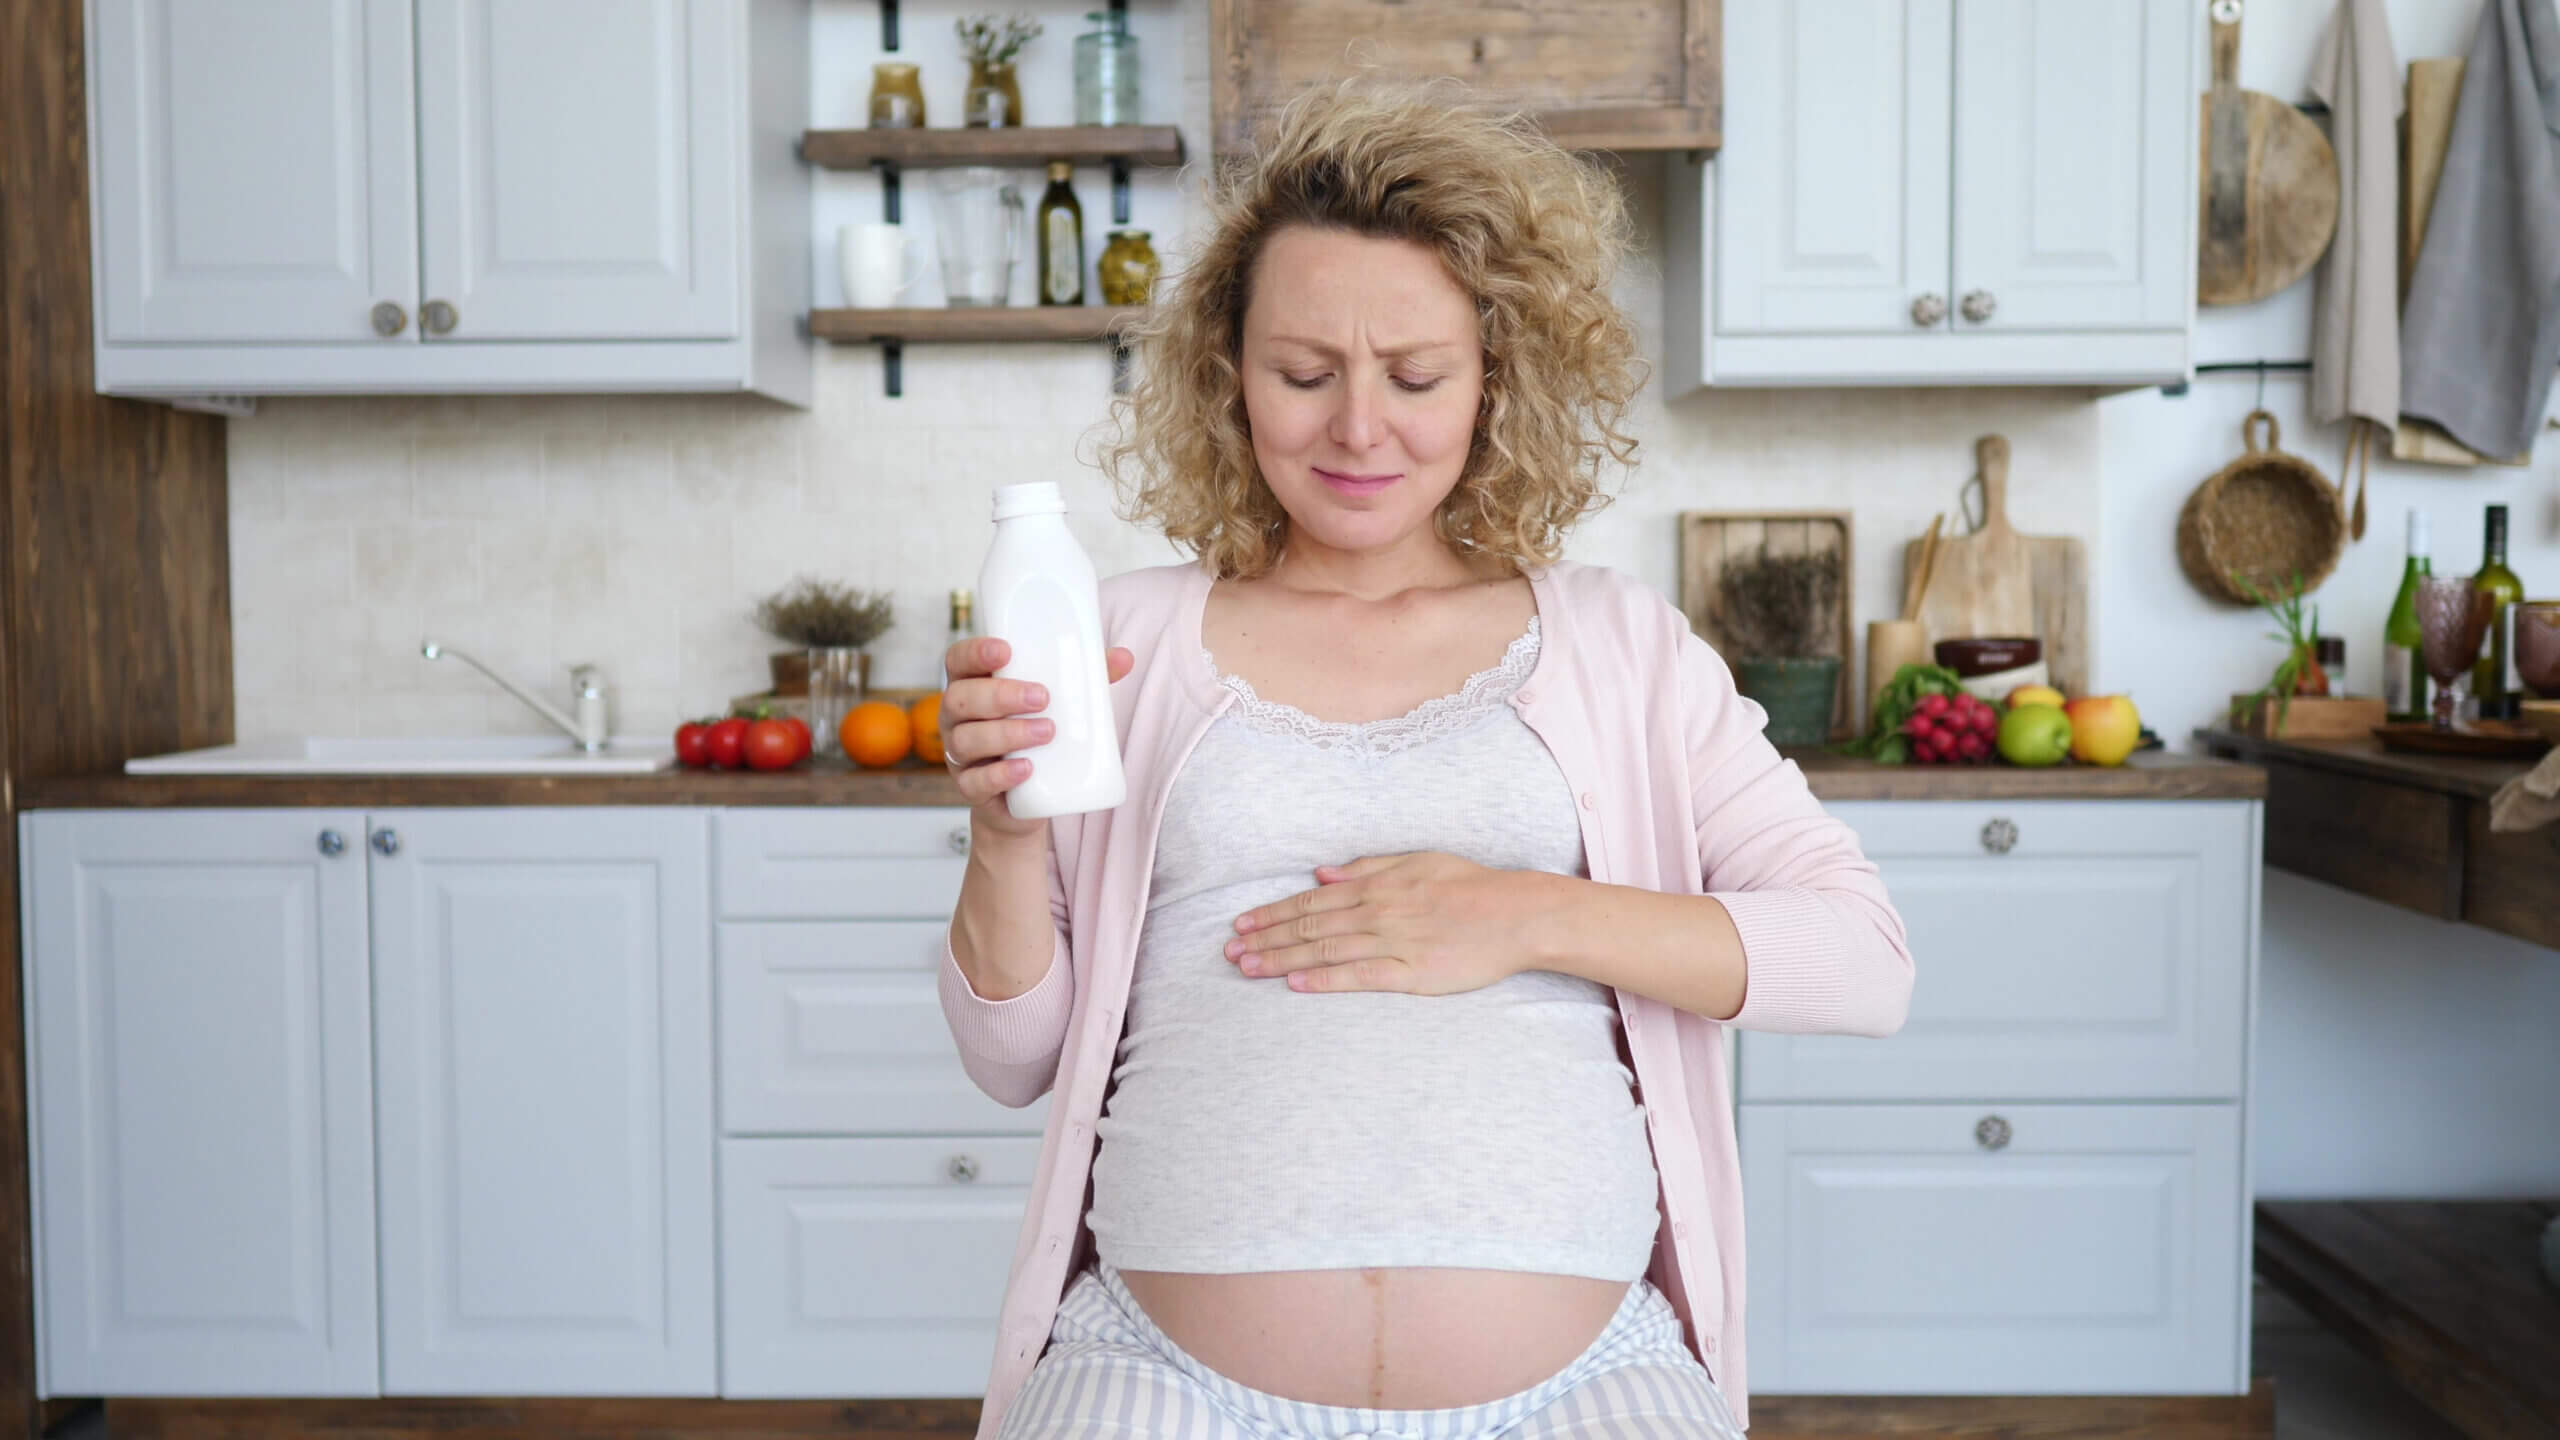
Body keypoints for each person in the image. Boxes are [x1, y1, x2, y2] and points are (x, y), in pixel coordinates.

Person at [935, 79, 1914, 1440]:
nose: (1356, 429)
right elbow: (1012, 1058)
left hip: (1585, 1379)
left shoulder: (1618, 648)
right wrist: (1005, 836)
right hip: (1158, 1370)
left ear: (1494, 381)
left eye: (1413, 376)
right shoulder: (1123, 642)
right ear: (1229, 375)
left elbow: (1865, 959)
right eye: (1303, 374)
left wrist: (1523, 914)